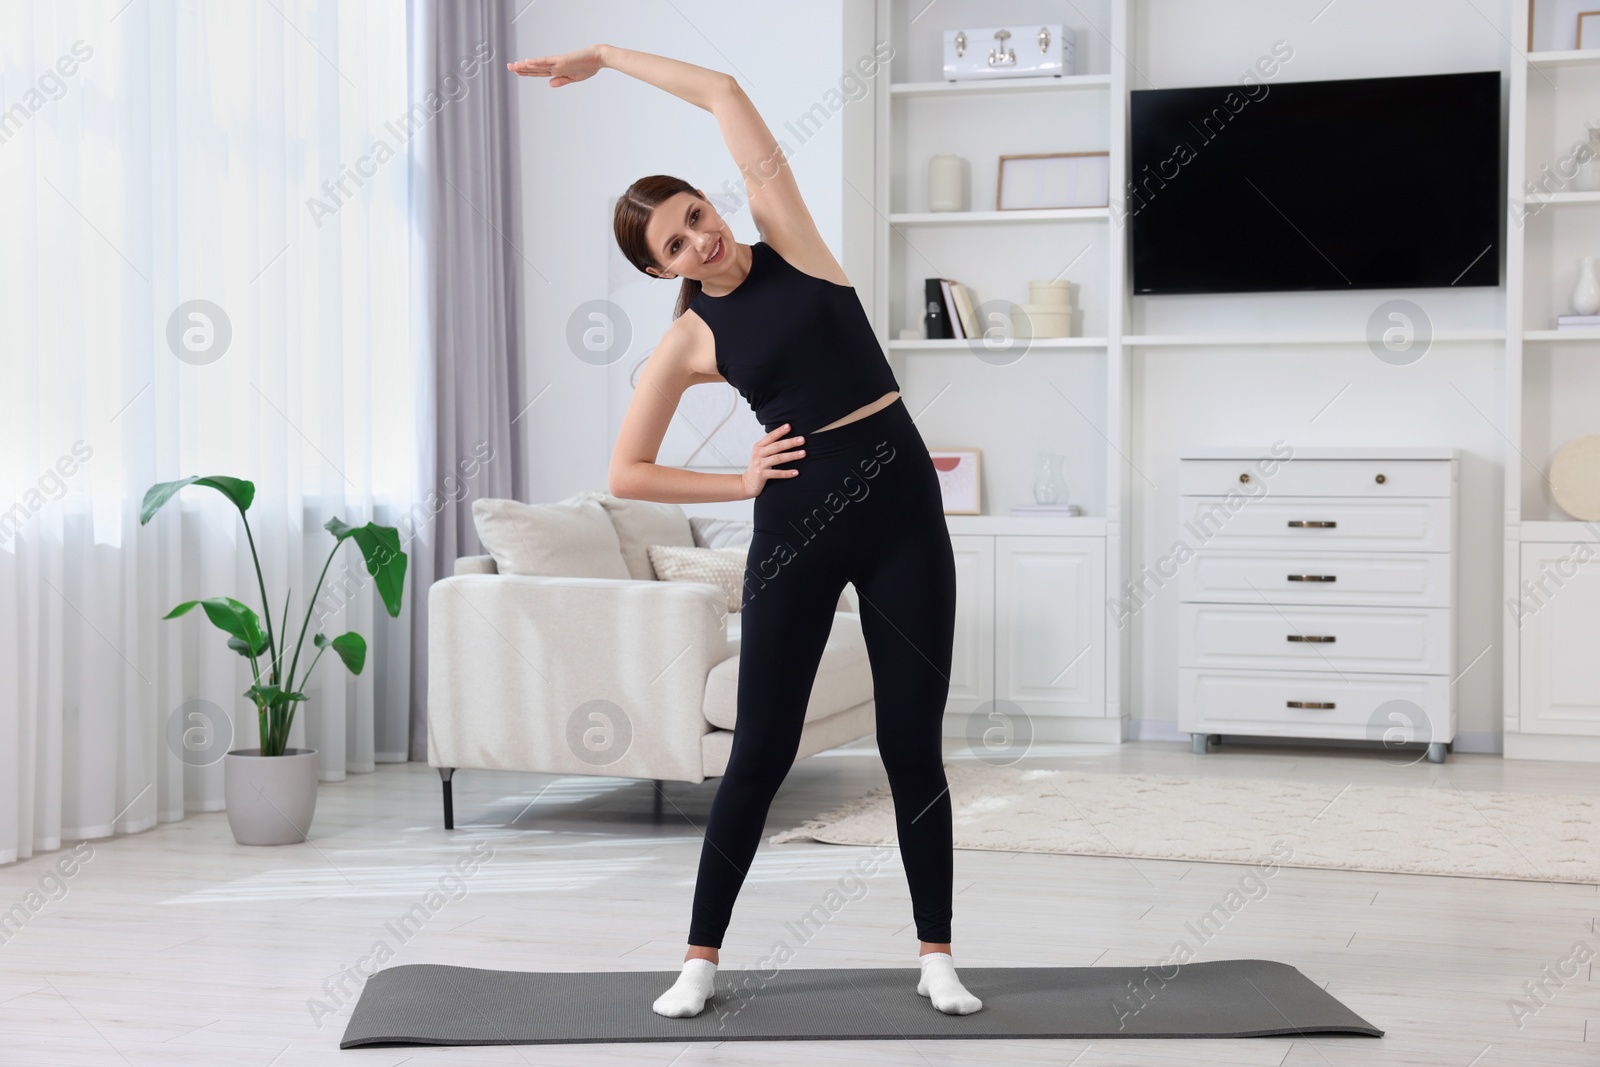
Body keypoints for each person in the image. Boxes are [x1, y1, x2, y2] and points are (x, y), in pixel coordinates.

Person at [508, 42, 981, 1020]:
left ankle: (935, 953)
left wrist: (601, 56)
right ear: (657, 271)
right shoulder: (688, 340)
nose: (699, 241)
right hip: (796, 526)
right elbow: (624, 472)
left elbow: (724, 93)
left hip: (900, 507)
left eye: (695, 215)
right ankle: (697, 958)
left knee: (912, 743)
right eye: (674, 246)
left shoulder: (792, 242)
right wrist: (735, 477)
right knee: (759, 747)